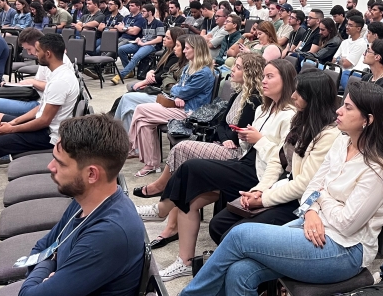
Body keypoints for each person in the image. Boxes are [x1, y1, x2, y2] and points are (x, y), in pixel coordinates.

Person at [173, 81, 383, 296]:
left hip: (345, 251)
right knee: (239, 271)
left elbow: (347, 223)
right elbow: (312, 187)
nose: (339, 110)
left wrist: (319, 200)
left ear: (368, 119)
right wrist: (312, 211)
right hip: (315, 226)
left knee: (239, 235)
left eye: (347, 107)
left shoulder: (378, 169)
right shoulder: (342, 141)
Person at [136, 59, 297, 281]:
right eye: (264, 76)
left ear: (286, 81)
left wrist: (258, 140)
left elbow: (284, 161)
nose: (264, 81)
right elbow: (247, 144)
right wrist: (245, 137)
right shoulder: (262, 108)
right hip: (245, 160)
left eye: (270, 77)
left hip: (262, 175)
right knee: (189, 197)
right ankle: (184, 262)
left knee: (190, 167)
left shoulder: (289, 116)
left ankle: (162, 208)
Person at [0, 115, 145, 296]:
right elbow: (42, 248)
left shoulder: (109, 233)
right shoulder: (85, 200)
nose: (50, 167)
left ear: (91, 174)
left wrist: (50, 265)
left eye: (60, 163)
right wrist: (51, 263)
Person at [133, 54, 265, 252]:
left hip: (238, 153)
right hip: (224, 144)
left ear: (249, 73)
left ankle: (161, 192)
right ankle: (168, 219)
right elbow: (222, 124)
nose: (233, 70)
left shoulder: (253, 100)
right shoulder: (239, 93)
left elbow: (239, 135)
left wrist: (228, 136)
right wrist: (224, 136)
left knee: (183, 150)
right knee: (183, 154)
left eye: (238, 67)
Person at [0, 33, 79, 217]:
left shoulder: (61, 80)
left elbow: (44, 121)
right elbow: (40, 109)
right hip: (43, 126)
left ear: (49, 53)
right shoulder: (56, 74)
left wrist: (11, 129)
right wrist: (15, 121)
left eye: (39, 51)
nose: (36, 54)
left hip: (48, 136)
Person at [209, 69, 341, 244]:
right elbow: (277, 159)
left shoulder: (329, 134)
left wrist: (263, 200)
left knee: (233, 235)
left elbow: (303, 184)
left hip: (300, 202)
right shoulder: (300, 119)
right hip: (281, 186)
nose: (293, 96)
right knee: (218, 224)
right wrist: (259, 190)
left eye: (298, 92)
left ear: (313, 98)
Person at [127, 35, 214, 176]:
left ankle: (132, 147)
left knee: (140, 109)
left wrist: (179, 92)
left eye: (187, 48)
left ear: (197, 50)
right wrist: (178, 92)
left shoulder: (203, 73)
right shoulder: (189, 67)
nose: (184, 51)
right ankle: (152, 164)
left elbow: (181, 90)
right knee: (144, 122)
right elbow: (177, 88)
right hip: (178, 107)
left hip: (190, 113)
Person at [0, 28, 72, 119]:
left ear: (37, 44)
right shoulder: (47, 59)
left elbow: (55, 86)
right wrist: (16, 85)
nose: (29, 53)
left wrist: (32, 82)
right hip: (36, 97)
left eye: (29, 49)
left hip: (40, 103)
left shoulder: (57, 61)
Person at [114, 27, 183, 130]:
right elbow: (157, 68)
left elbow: (163, 77)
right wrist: (150, 72)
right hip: (157, 85)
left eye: (167, 38)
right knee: (124, 100)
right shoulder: (167, 51)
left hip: (161, 91)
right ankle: (116, 130)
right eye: (164, 36)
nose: (164, 39)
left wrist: (144, 82)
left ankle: (114, 130)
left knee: (126, 98)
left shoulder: (175, 57)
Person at [113, 4, 165, 84]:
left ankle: (120, 75)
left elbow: (159, 39)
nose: (142, 13)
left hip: (152, 45)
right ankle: (129, 71)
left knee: (136, 57)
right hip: (142, 43)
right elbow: (143, 36)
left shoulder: (158, 23)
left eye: (144, 11)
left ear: (150, 12)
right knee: (121, 50)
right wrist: (138, 39)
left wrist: (145, 43)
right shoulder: (144, 22)